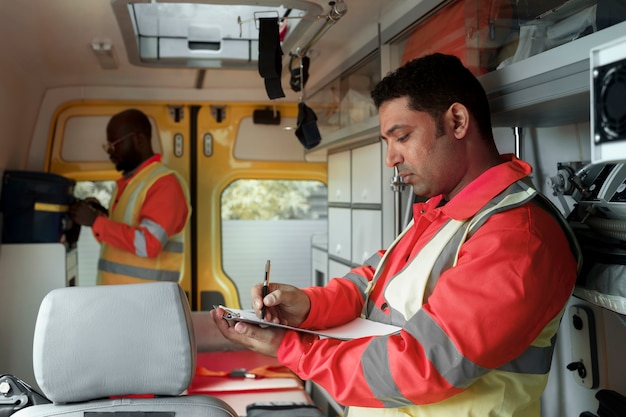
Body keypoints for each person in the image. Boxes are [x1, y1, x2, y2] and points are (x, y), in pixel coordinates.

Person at [211, 53, 581, 416]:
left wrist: (290, 349)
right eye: (387, 143)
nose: (390, 158)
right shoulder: (442, 212)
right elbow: (369, 285)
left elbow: (422, 364)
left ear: (456, 121)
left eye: (401, 137)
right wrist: (306, 306)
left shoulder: (518, 238)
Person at [70, 108, 191, 285]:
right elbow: (119, 246)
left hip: (146, 303)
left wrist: (97, 222)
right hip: (122, 301)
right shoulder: (129, 184)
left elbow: (147, 244)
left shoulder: (164, 183)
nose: (109, 152)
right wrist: (100, 218)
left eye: (114, 144)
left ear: (139, 140)